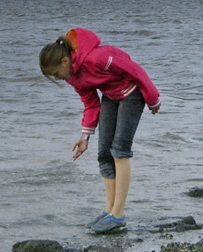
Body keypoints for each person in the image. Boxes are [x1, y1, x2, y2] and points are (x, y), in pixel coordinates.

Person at [39, 28, 161, 234]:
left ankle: (119, 214)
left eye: (56, 73)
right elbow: (90, 102)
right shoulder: (73, 77)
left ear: (65, 61)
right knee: (104, 154)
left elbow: (136, 72)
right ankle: (109, 210)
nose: (58, 78)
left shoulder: (99, 58)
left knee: (120, 151)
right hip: (111, 97)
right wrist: (85, 136)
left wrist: (153, 98)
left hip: (132, 94)